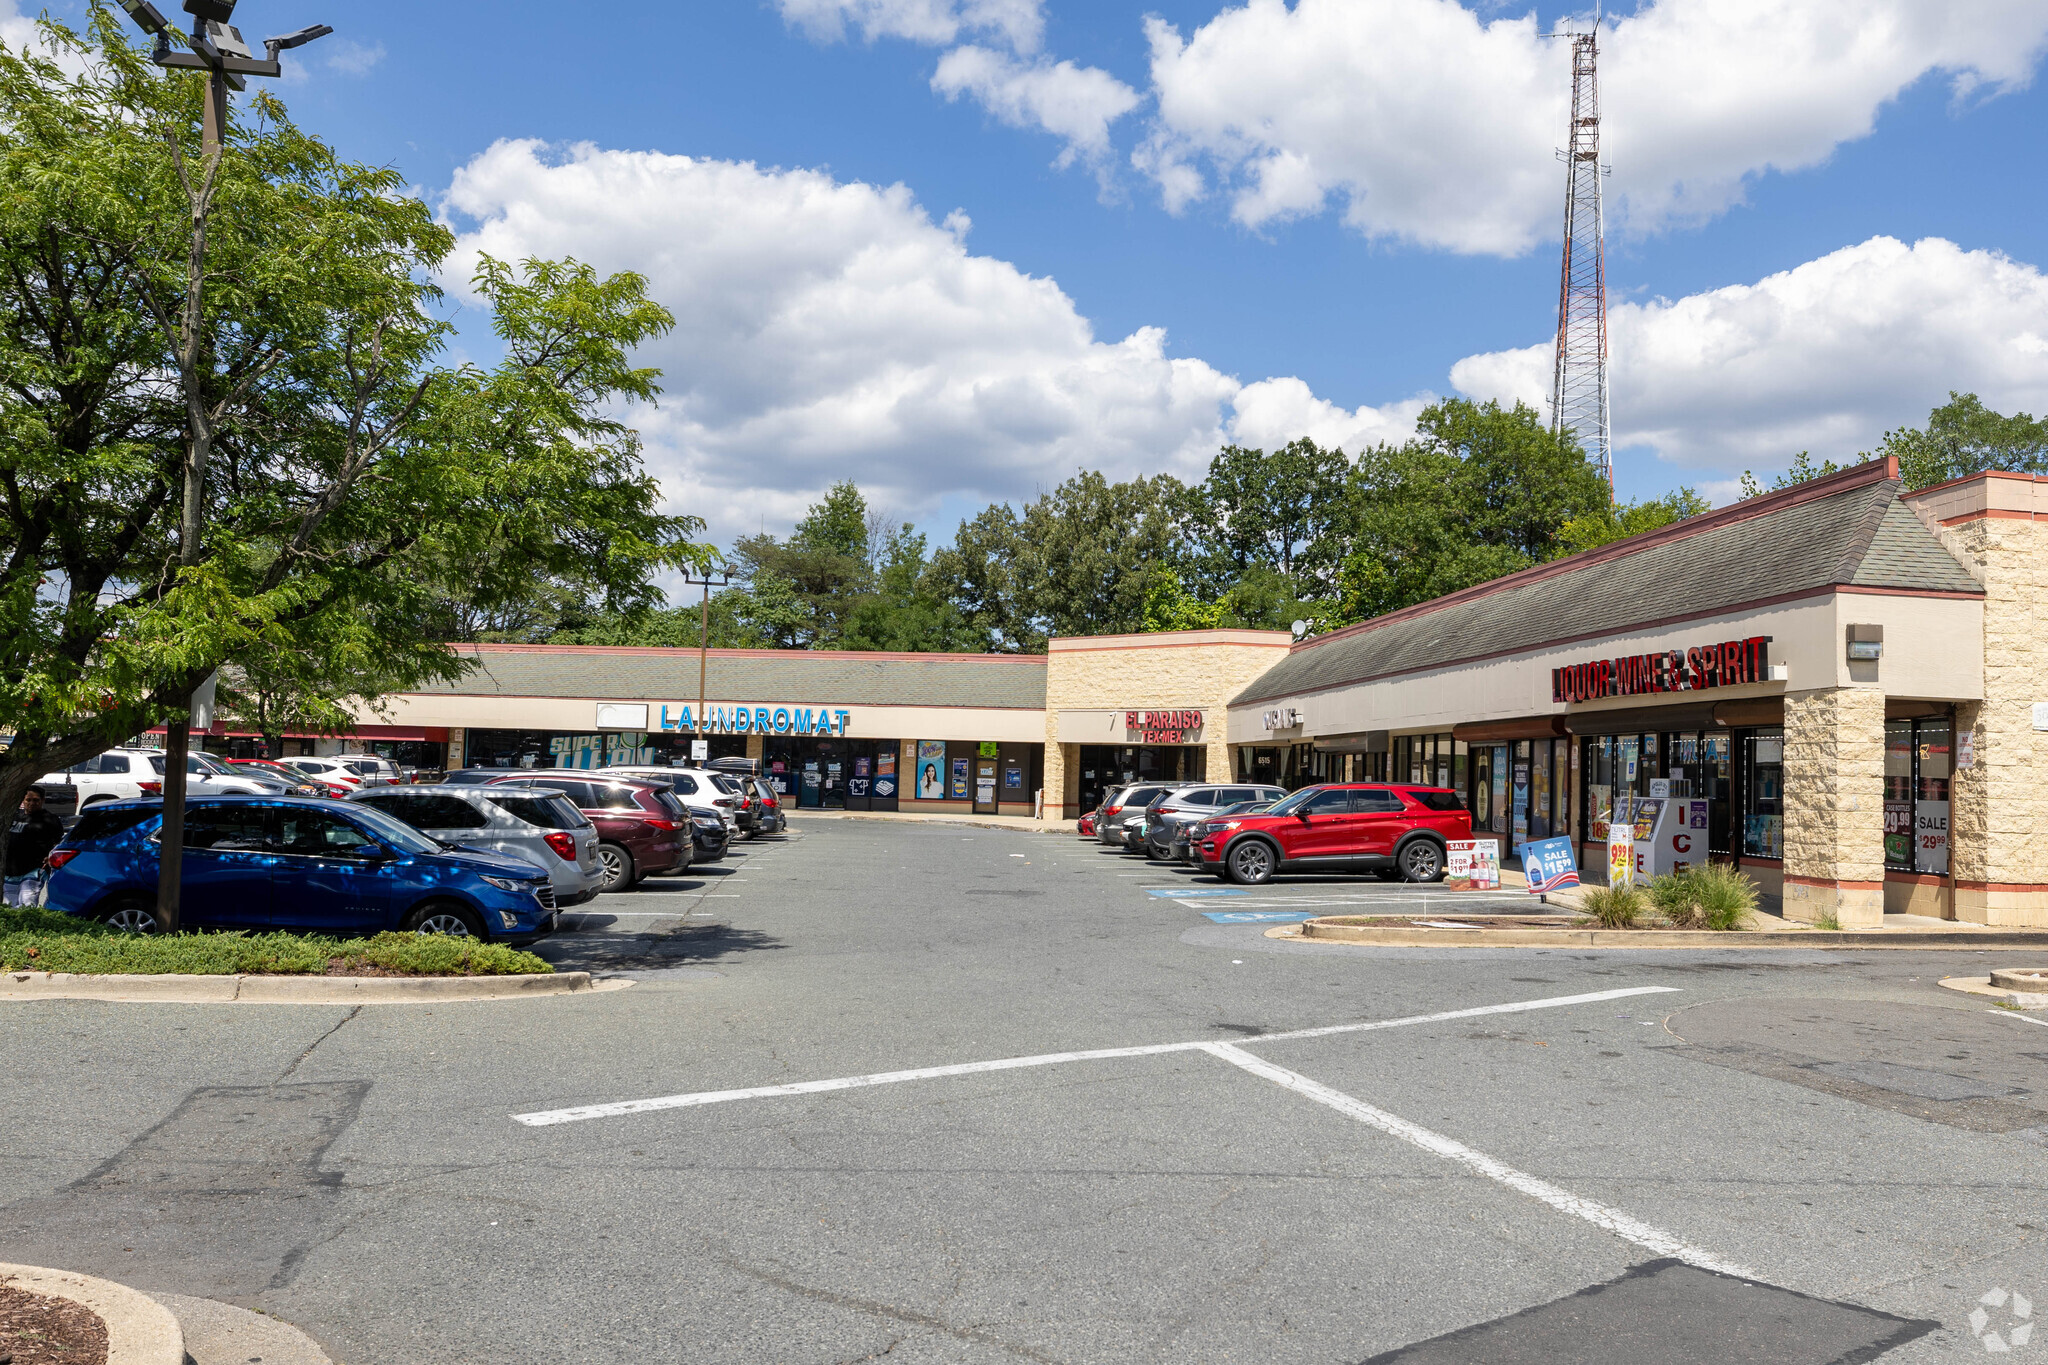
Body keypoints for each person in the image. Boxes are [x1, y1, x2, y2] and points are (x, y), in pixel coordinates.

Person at [5, 786, 65, 907]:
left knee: (27, 905)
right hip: (10, 871)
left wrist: (50, 857)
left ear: (42, 800)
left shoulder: (50, 819)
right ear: (23, 800)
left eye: (36, 800)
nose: (32, 803)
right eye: (29, 800)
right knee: (9, 907)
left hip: (34, 870)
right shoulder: (14, 816)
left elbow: (59, 844)